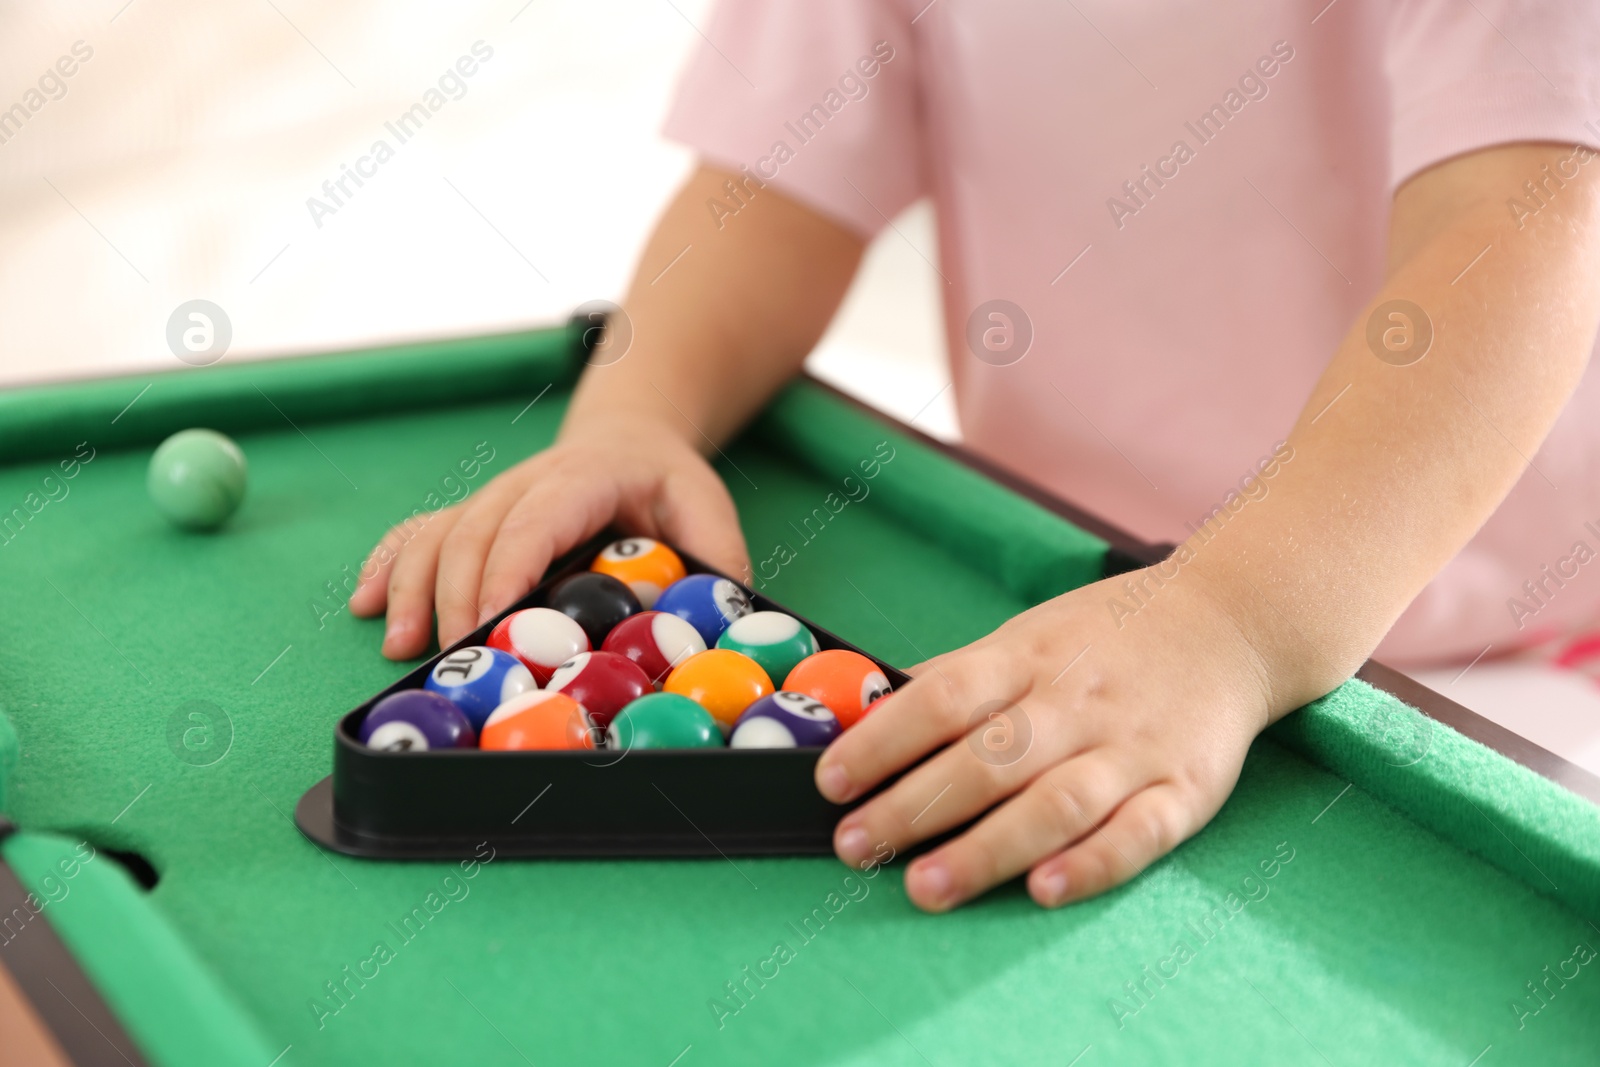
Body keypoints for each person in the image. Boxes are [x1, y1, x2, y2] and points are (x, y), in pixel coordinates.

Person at [350, 1, 1600, 913]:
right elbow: (776, 178)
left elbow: (1525, 217)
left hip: (1499, 640)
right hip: (1061, 585)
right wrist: (637, 411)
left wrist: (1233, 617)